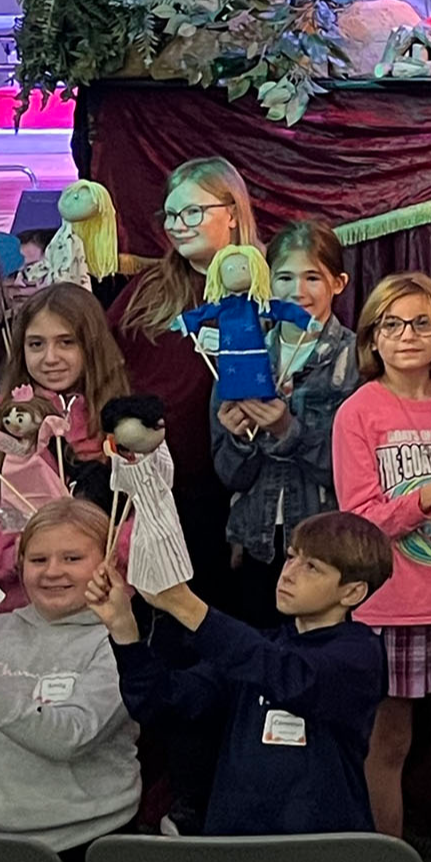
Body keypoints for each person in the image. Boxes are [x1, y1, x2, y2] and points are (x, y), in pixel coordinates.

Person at [94, 509, 392, 835]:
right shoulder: (256, 649)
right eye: (291, 557)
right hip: (235, 845)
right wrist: (124, 631)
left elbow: (293, 678)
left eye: (312, 567)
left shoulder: (360, 654)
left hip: (322, 849)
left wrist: (185, 605)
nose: (289, 573)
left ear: (352, 592)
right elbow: (163, 702)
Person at [332, 273, 431, 839]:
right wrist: (428, 495)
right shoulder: (359, 412)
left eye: (421, 322)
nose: (407, 335)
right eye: (392, 324)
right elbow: (359, 521)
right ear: (372, 337)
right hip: (390, 605)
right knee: (389, 739)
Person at [0, 497, 141, 862]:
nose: (52, 572)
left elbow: (70, 738)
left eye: (72, 558)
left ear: (107, 561)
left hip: (87, 841)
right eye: (38, 560)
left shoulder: (120, 641)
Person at [107, 157, 264, 586]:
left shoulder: (267, 287)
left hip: (224, 487)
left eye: (192, 212)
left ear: (231, 213)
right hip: (147, 481)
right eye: (172, 215)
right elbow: (104, 360)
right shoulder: (148, 288)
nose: (178, 225)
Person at [215, 219, 359, 625]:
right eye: (284, 277)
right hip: (255, 543)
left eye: (312, 277)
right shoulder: (240, 352)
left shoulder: (356, 359)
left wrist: (286, 431)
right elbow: (229, 476)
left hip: (324, 547)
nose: (297, 291)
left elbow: (348, 472)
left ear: (339, 282)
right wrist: (239, 438)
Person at [0, 284, 130, 609]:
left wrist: (102, 553)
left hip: (103, 607)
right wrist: (24, 555)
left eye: (66, 342)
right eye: (36, 344)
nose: (50, 358)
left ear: (91, 345)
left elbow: (147, 513)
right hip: (10, 609)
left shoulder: (123, 419)